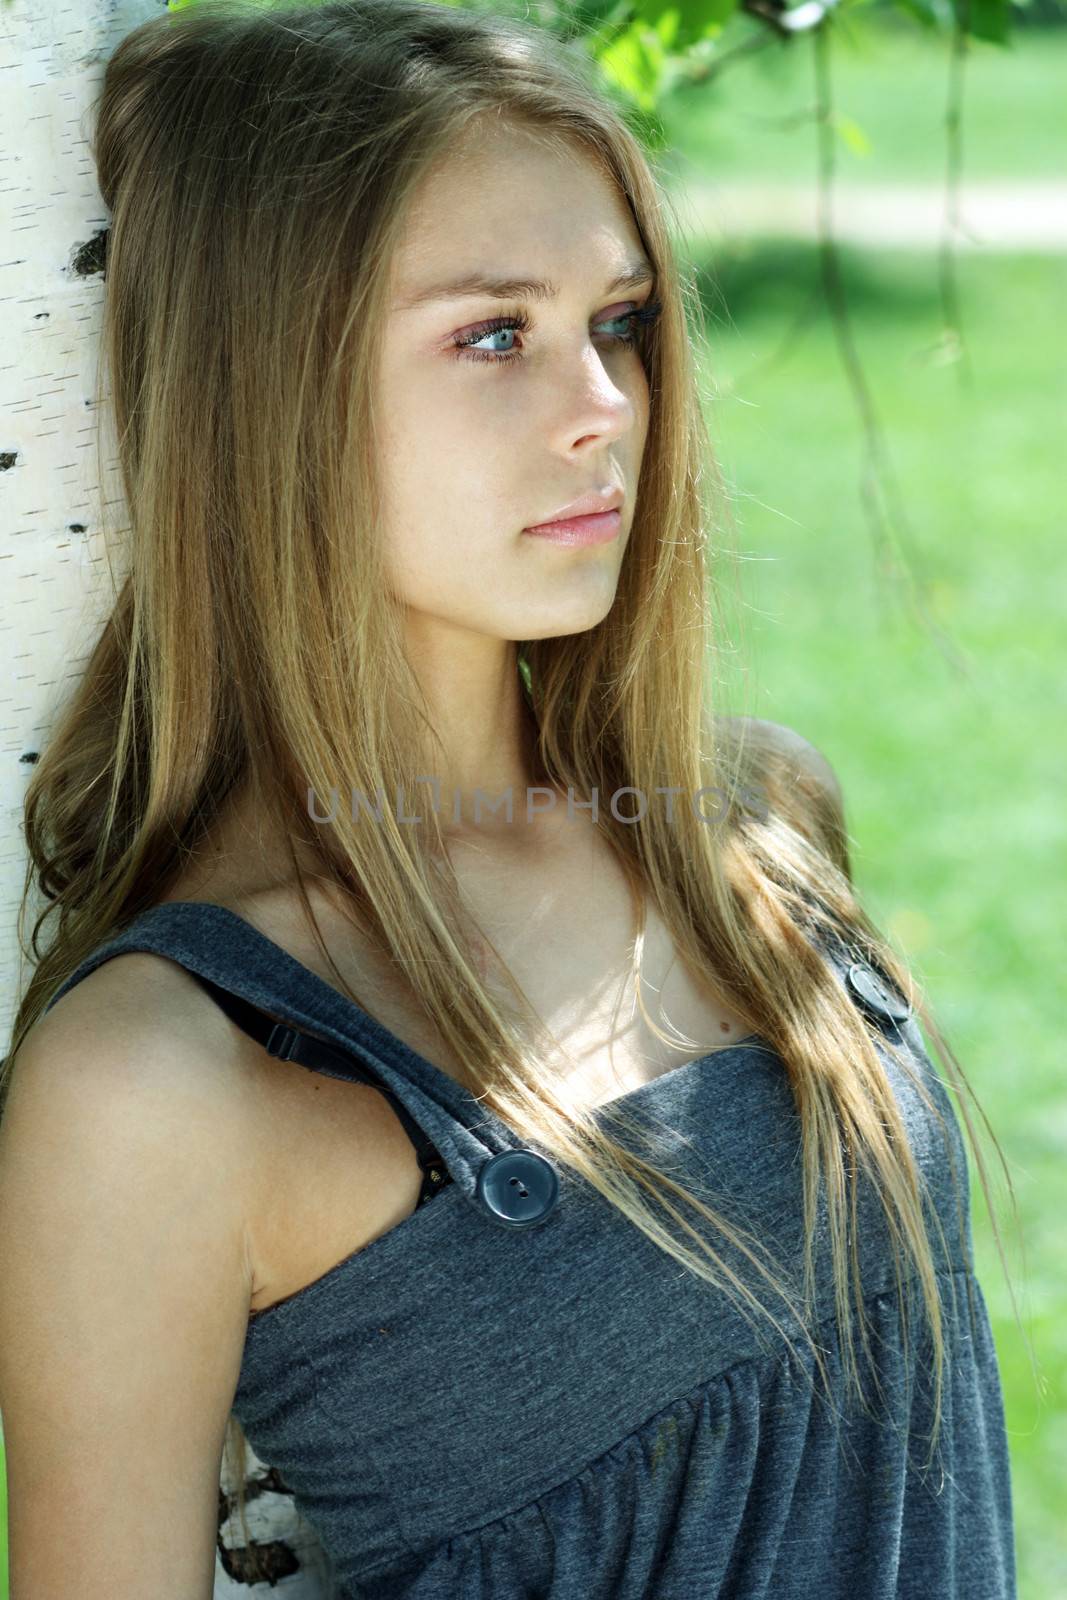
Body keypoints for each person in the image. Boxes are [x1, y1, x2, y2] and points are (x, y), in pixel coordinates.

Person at [0, 1, 1017, 1595]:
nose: (606, 404)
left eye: (618, 322)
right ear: (269, 390)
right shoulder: (165, 1081)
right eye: (494, 333)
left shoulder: (747, 826)